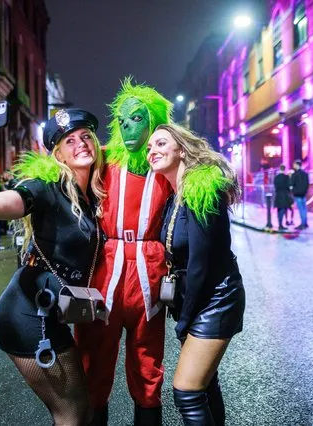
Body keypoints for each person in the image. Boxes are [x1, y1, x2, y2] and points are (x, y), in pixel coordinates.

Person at [0, 103, 106, 424]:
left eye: (85, 136)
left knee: (80, 407)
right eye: (69, 141)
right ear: (58, 155)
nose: (80, 144)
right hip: (27, 314)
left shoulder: (92, 193)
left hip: (53, 313)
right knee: (72, 413)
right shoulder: (45, 186)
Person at [74, 79, 172, 425]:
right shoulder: (104, 161)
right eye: (122, 120)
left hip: (150, 270)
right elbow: (63, 164)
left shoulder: (167, 163)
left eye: (138, 118)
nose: (129, 127)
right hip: (106, 268)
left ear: (155, 121)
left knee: (148, 366)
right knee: (93, 362)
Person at [147, 123, 245, 425]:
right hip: (197, 300)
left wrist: (186, 319)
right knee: (205, 384)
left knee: (187, 391)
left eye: (161, 144)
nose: (153, 151)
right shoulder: (174, 196)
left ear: (181, 148)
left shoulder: (201, 189)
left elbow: (202, 263)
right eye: (150, 147)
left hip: (216, 299)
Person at [290, 159, 309, 229]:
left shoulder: (294, 174)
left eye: (294, 164)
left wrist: (293, 191)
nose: (293, 166)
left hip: (297, 195)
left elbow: (291, 184)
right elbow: (307, 184)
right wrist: (305, 191)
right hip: (303, 194)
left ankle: (303, 224)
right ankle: (305, 223)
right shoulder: (305, 174)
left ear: (297, 165)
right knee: (304, 209)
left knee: (301, 209)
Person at [273, 165, 292, 231]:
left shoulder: (276, 177)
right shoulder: (286, 177)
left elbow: (275, 187)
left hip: (278, 195)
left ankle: (280, 223)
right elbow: (288, 186)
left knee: (279, 210)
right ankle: (281, 225)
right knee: (283, 210)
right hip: (284, 196)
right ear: (284, 169)